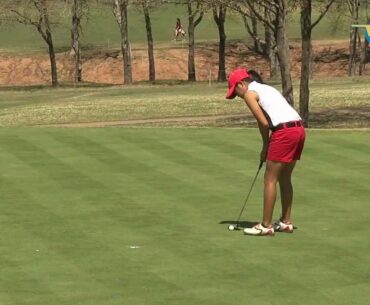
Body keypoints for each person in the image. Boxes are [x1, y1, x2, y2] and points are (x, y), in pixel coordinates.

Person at [226, 68, 306, 236]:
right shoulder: (266, 88)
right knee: (284, 178)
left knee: (270, 179)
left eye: (236, 91)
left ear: (241, 84)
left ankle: (266, 225)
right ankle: (285, 222)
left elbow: (263, 123)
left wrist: (265, 146)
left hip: (284, 132)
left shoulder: (249, 93)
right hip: (298, 129)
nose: (238, 96)